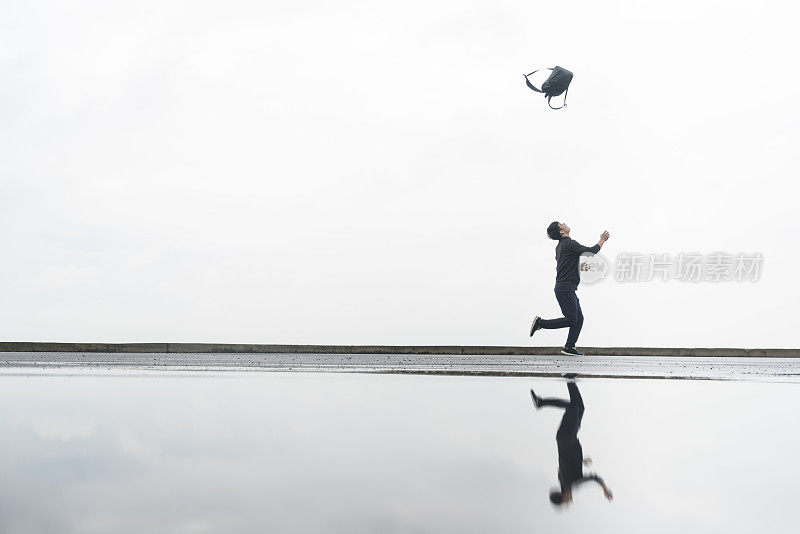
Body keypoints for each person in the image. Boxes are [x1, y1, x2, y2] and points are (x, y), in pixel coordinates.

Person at [529, 222, 610, 356]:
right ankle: (541, 323)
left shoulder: (560, 247)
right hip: (565, 288)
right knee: (572, 319)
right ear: (561, 231)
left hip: (566, 288)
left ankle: (569, 346)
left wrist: (580, 267)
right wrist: (602, 240)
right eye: (562, 224)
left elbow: (566, 263)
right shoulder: (569, 244)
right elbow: (591, 251)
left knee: (579, 318)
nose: (565, 224)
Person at [530, 379, 613, 506]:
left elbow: (595, 477)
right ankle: (570, 380)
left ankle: (541, 402)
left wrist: (605, 490)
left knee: (573, 407)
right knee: (580, 407)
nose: (570, 502)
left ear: (563, 497)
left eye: (566, 502)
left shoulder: (570, 484)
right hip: (567, 438)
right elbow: (564, 463)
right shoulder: (562, 481)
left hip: (567, 438)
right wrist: (580, 460)